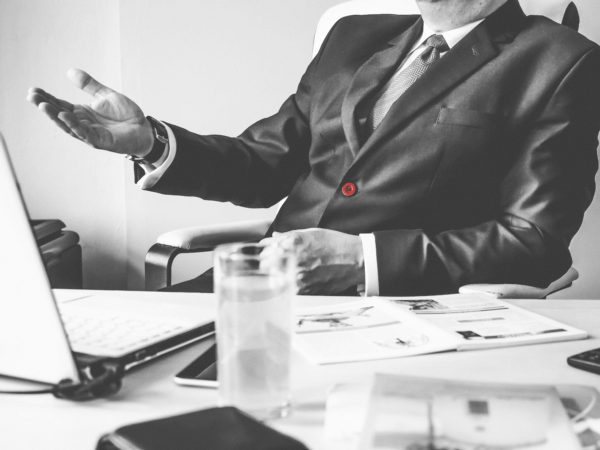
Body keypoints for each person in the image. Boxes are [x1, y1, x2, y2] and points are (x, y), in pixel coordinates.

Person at [27, 0, 600, 296]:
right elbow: (263, 164)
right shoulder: (355, 35)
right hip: (259, 289)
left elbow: (535, 241)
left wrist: (361, 263)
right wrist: (152, 141)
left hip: (404, 310)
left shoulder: (562, 60)